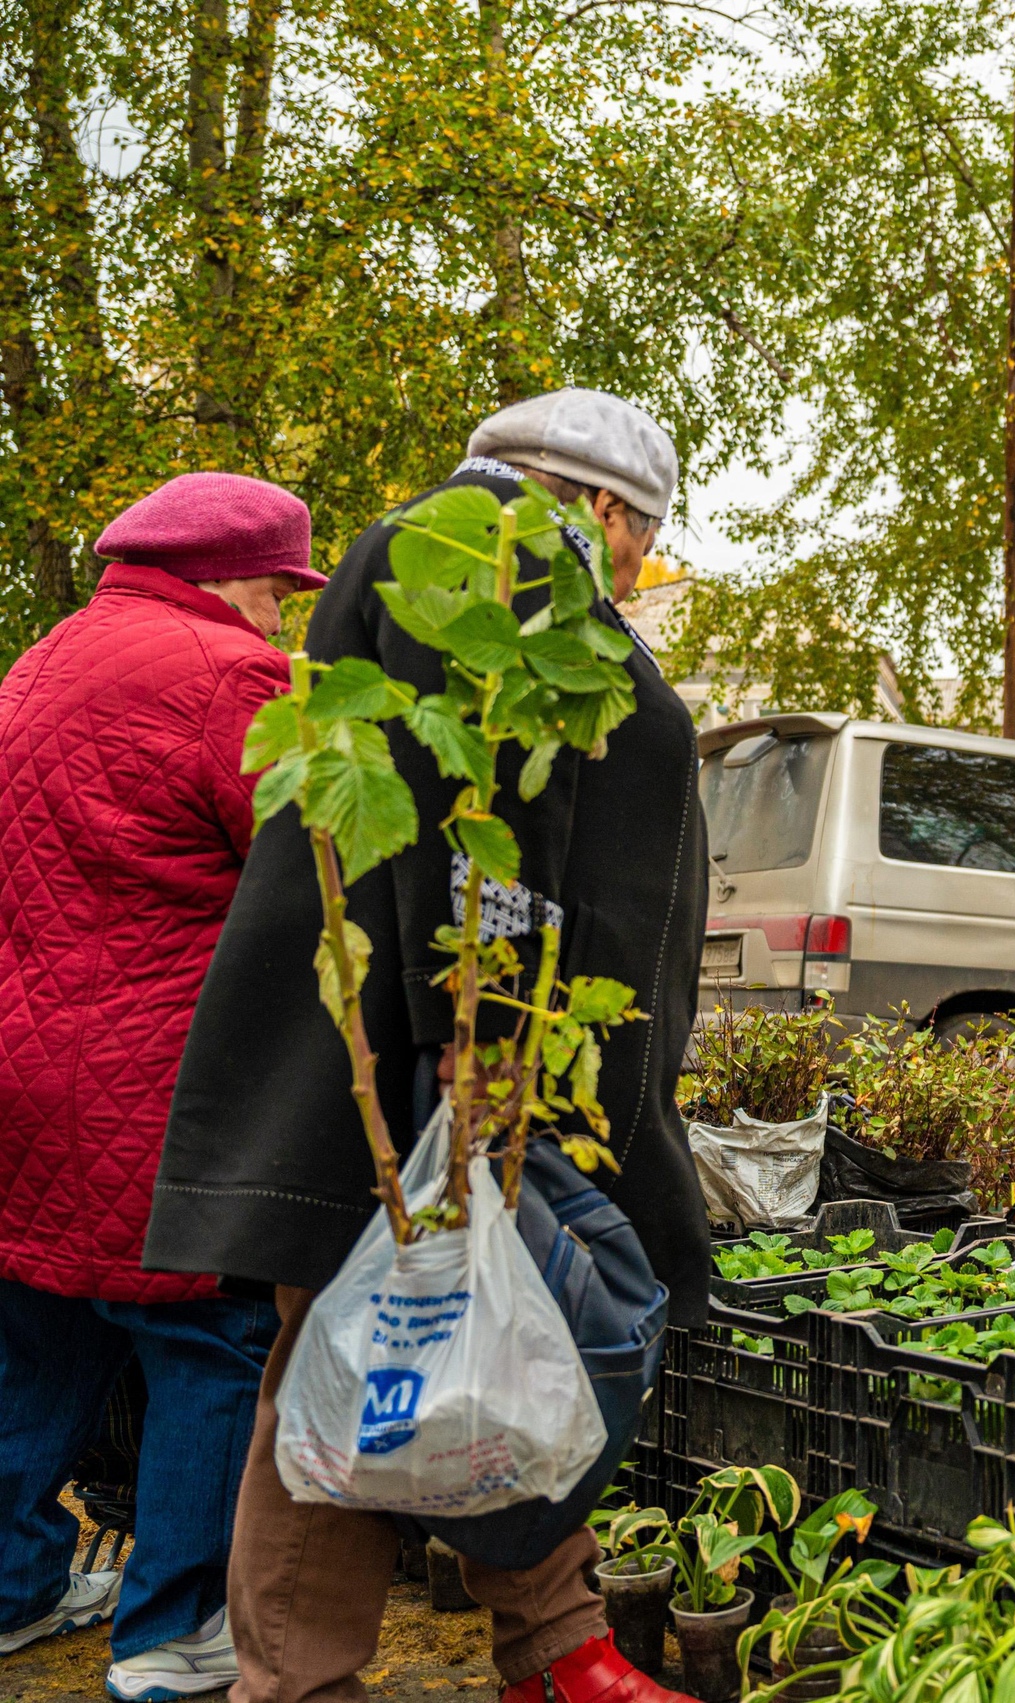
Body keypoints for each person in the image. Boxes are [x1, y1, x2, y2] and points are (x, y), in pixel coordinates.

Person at [143, 390, 711, 1703]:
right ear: (602, 504)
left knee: (475, 1340)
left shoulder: (488, 560)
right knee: (356, 1357)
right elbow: (487, 811)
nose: (633, 574)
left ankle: (554, 1641)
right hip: (438, 1060)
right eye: (639, 542)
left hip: (457, 1053)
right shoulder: (483, 554)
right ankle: (301, 1675)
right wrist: (494, 1031)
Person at [0, 473, 325, 1697]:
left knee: (37, 1341)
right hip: (157, 1085)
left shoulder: (37, 663)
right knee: (212, 1342)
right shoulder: (228, 677)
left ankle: (14, 1587)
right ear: (228, 574)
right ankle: (171, 1633)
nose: (282, 619)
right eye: (277, 593)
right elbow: (311, 869)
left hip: (21, 1074)